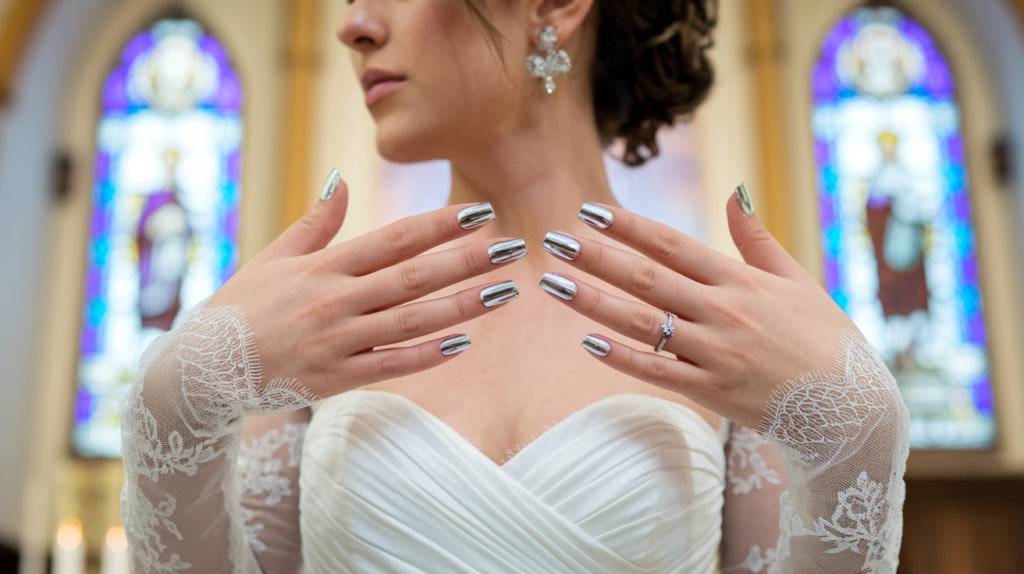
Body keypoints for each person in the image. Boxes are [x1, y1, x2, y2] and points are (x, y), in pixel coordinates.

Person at [119, 0, 910, 572]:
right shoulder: (326, 318)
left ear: (556, 6)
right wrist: (174, 405)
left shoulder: (719, 334)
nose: (351, 24)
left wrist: (857, 435)